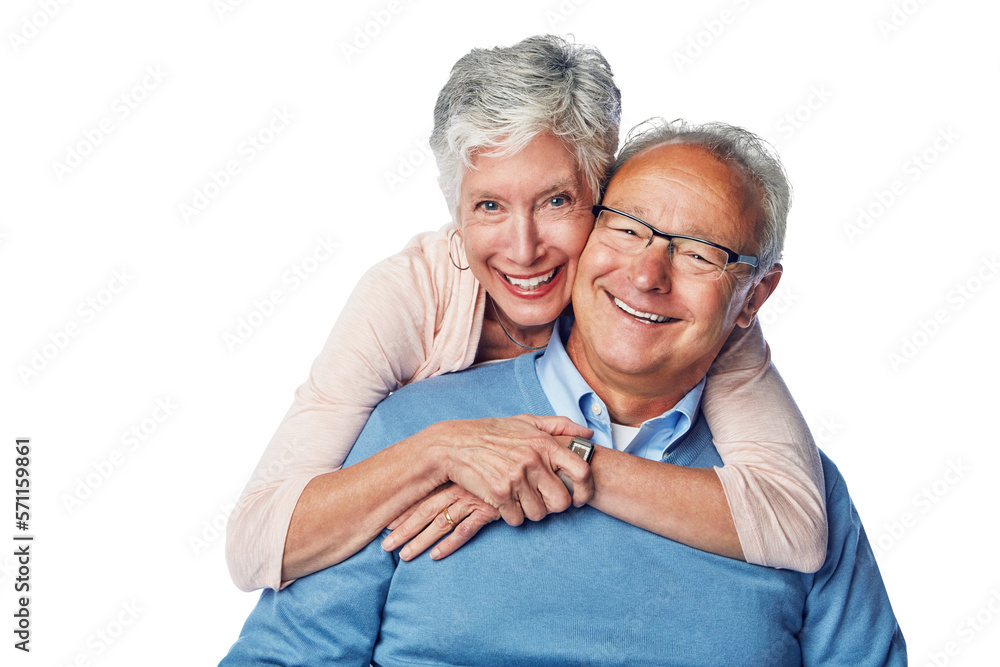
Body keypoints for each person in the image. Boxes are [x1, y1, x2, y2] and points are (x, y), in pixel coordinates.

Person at [220, 119, 905, 665]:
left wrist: (569, 463)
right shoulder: (413, 428)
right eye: (628, 229)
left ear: (754, 296)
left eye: (700, 253)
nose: (647, 273)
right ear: (587, 238)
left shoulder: (796, 492)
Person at [226, 35, 826, 593]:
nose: (523, 248)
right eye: (488, 205)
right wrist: (440, 452)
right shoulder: (409, 297)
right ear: (456, 211)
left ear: (604, 194)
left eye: (557, 201)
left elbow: (796, 524)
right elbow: (254, 546)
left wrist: (557, 466)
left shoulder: (674, 304)